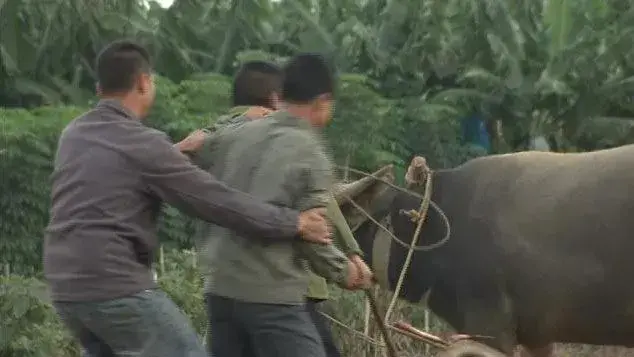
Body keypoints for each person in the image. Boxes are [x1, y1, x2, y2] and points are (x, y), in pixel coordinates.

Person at [44, 40, 333, 357]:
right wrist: (294, 222)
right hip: (115, 286)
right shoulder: (145, 145)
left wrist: (180, 148)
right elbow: (216, 202)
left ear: (99, 88)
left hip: (65, 288)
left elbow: (121, 165)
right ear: (144, 82)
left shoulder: (74, 133)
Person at [183, 60, 371, 357]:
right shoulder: (309, 150)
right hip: (270, 296)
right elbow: (313, 235)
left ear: (279, 95)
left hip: (219, 289)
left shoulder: (233, 135)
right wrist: (345, 271)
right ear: (322, 102)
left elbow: (189, 159)